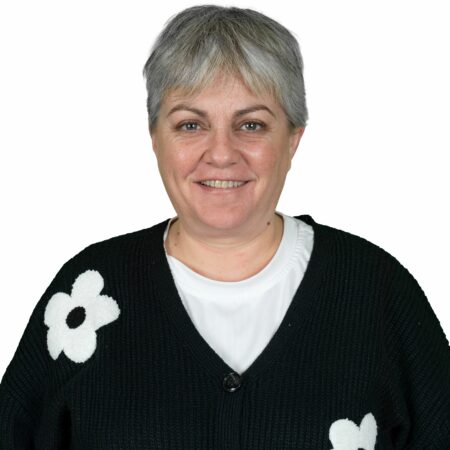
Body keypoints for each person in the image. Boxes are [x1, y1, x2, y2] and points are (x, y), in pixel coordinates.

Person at [1, 4, 449, 449]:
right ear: (156, 139)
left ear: (293, 140)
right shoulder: (86, 291)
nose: (220, 153)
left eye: (251, 125)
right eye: (190, 124)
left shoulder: (377, 292)